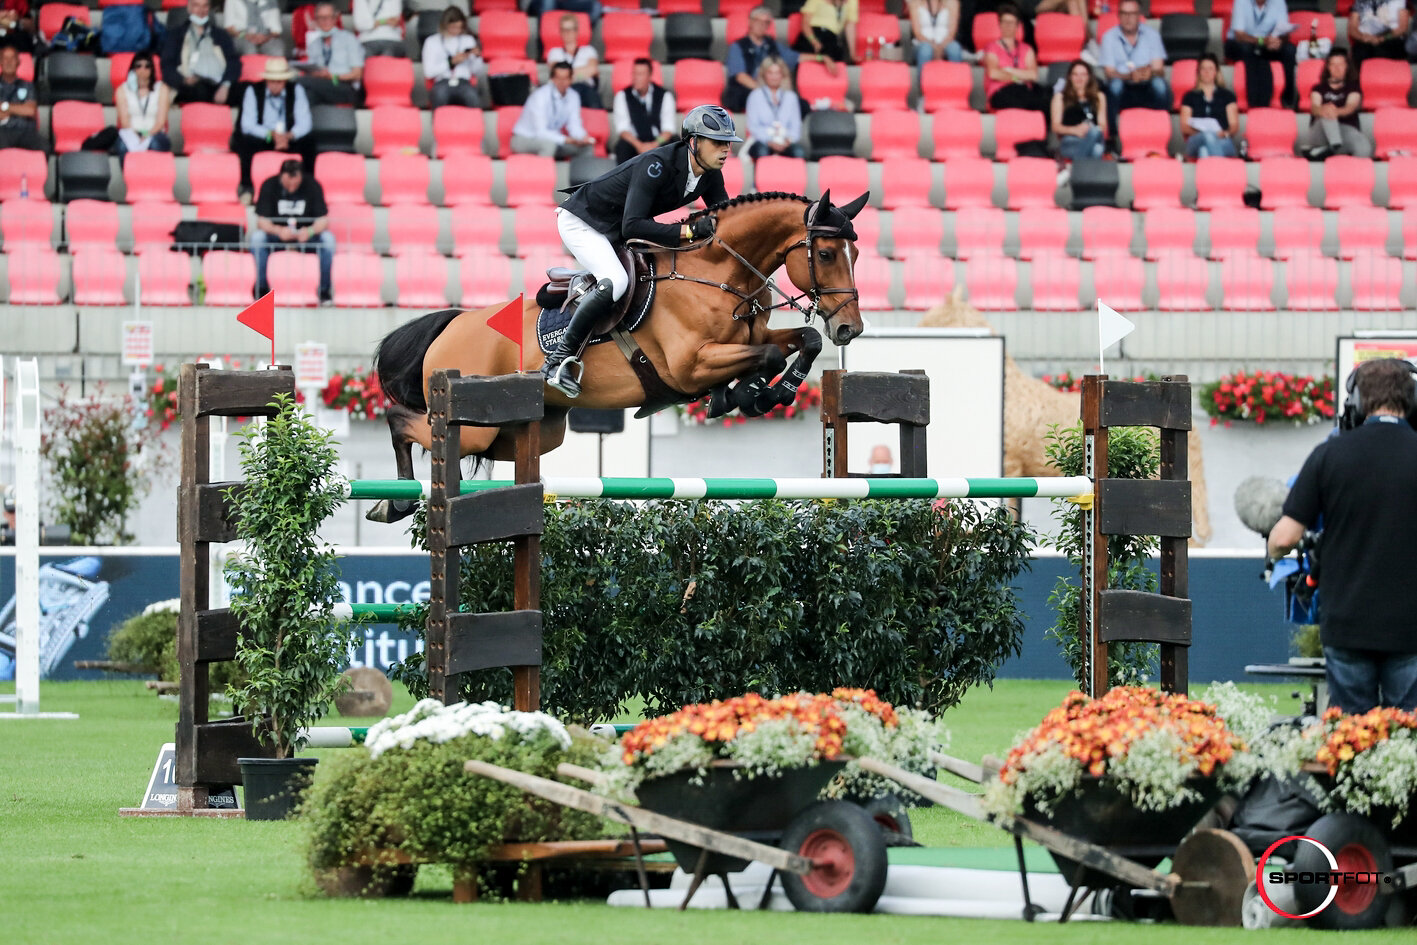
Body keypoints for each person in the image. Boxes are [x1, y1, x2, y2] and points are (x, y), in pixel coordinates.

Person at [543, 104, 740, 398]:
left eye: (728, 143)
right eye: (718, 142)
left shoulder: (710, 173)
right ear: (694, 142)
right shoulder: (656, 165)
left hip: (614, 228)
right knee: (617, 281)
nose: (726, 149)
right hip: (584, 222)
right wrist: (686, 232)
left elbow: (725, 219)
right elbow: (633, 226)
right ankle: (557, 362)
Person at [1268, 358, 1417, 713]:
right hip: (1411, 628)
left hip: (1347, 624)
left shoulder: (1328, 454)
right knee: (1408, 746)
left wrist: (1275, 553)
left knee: (1349, 741)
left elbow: (1283, 538)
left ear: (1357, 403)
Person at [252, 158, 335, 305]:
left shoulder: (312, 185)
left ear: (301, 177)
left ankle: (324, 292)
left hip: (306, 236)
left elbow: (323, 220)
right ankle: (261, 290)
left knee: (328, 240)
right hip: (277, 236)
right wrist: (278, 230)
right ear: (281, 176)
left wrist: (310, 231)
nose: (291, 187)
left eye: (295, 183)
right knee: (257, 239)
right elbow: (261, 221)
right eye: (287, 183)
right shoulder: (269, 185)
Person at [232, 58, 313, 200]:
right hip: (265, 136)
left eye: (279, 81)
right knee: (245, 142)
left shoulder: (296, 90)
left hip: (288, 137)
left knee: (309, 142)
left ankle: (307, 188)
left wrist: (288, 136)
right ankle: (247, 188)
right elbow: (247, 125)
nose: (276, 85)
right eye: (272, 81)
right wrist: (272, 135)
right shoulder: (253, 91)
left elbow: (305, 123)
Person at [1098, 0, 1169, 133]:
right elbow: (1109, 73)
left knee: (1160, 85)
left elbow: (1159, 70)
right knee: (1114, 86)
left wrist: (1149, 74)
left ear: (1139, 15)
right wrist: (1131, 75)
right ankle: (1112, 138)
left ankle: (1161, 132)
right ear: (1118, 15)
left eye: (1132, 14)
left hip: (1146, 86)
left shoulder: (1152, 35)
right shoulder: (1109, 37)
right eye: (1124, 13)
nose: (1128, 18)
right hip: (1123, 87)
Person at [160, 0, 240, 105]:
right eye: (196, 6)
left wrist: (225, 86)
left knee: (247, 89)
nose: (201, 11)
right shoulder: (176, 35)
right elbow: (167, 65)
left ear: (209, 9)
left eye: (205, 6)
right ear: (189, 8)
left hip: (219, 84)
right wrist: (184, 80)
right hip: (190, 85)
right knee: (200, 90)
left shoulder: (221, 35)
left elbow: (233, 62)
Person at [511, 61, 594, 158]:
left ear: (571, 79)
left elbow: (574, 124)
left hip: (553, 139)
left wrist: (583, 137)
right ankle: (543, 173)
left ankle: (582, 173)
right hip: (525, 138)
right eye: (558, 78)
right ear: (552, 78)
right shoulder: (540, 96)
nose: (561, 82)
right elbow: (540, 132)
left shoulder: (573, 96)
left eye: (565, 78)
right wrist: (566, 140)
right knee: (549, 145)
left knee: (586, 147)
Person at [723, 6, 799, 112]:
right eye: (758, 21)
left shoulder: (772, 44)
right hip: (748, 89)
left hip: (771, 88)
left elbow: (796, 57)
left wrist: (821, 57)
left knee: (800, 104)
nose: (762, 25)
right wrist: (765, 92)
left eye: (766, 22)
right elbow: (740, 76)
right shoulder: (738, 46)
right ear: (750, 22)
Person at [1225, 0, 1297, 110]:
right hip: (1241, 44)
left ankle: (1287, 100)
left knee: (1289, 50)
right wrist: (1262, 41)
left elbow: (1284, 33)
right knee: (1248, 50)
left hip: (1266, 43)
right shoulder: (1241, 2)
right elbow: (1239, 35)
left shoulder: (1279, 2)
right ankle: (1254, 102)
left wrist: (1277, 41)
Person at [1303, 49, 1372, 159]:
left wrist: (1335, 111)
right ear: (1328, 68)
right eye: (1333, 65)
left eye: (1341, 64)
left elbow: (1350, 107)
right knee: (1326, 111)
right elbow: (1315, 108)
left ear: (1347, 67)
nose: (1337, 68)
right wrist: (1326, 109)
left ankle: (1331, 150)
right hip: (1321, 131)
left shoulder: (1353, 88)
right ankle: (1334, 145)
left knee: (1364, 146)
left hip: (1345, 130)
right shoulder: (1318, 88)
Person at [982, 4, 1049, 114]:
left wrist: (1008, 70)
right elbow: (994, 73)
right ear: (1000, 24)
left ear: (1018, 26)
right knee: (1028, 103)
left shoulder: (1027, 49)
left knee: (1045, 102)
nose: (1008, 26)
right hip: (1000, 92)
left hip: (1023, 91)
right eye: (1005, 22)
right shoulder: (992, 48)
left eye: (1011, 22)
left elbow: (1033, 75)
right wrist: (1017, 78)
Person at [299, 1, 365, 106]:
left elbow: (357, 74)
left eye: (328, 17)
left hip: (345, 86)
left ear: (335, 18)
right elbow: (312, 69)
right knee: (308, 95)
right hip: (322, 85)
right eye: (321, 18)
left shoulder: (349, 39)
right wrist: (316, 73)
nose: (325, 21)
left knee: (299, 82)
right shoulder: (314, 44)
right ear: (316, 21)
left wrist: (333, 76)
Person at [612, 58, 676, 164]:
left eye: (640, 74)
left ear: (650, 76)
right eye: (634, 74)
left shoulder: (664, 95)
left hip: (658, 140)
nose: (636, 78)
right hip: (635, 142)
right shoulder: (622, 96)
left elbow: (668, 129)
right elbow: (623, 129)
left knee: (674, 142)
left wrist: (654, 145)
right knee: (622, 146)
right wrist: (639, 145)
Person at [421, 6, 484, 109]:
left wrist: (476, 57)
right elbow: (428, 72)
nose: (456, 31)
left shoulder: (468, 40)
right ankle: (438, 124)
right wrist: (450, 62)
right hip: (442, 82)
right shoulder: (432, 41)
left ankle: (474, 124)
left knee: (472, 96)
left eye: (459, 27)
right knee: (440, 95)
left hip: (464, 82)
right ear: (445, 25)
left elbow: (477, 71)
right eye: (453, 27)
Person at [114, 52, 172, 162]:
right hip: (131, 133)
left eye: (147, 66)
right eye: (138, 66)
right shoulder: (122, 90)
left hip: (155, 132)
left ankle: (153, 178)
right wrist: (137, 135)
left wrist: (145, 135)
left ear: (152, 69)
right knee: (122, 146)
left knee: (155, 144)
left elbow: (161, 122)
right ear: (133, 68)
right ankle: (130, 178)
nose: (143, 70)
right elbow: (124, 121)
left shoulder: (162, 88)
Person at [1180, 53, 1238, 158]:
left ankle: (1211, 173)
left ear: (1216, 72)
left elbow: (1234, 126)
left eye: (1210, 68)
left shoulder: (1227, 95)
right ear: (1198, 72)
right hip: (1196, 139)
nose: (1207, 72)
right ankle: (1220, 171)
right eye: (1203, 69)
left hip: (1222, 140)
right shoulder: (1189, 96)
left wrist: (1224, 133)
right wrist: (1203, 133)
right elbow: (1184, 127)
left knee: (1204, 151)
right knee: (1208, 135)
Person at [744, 56, 804, 159]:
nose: (774, 77)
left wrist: (787, 141)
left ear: (782, 75)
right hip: (763, 141)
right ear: (764, 75)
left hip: (785, 141)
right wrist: (770, 141)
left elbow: (796, 126)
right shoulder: (755, 95)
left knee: (799, 152)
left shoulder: (791, 97)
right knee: (762, 151)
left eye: (777, 73)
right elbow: (753, 126)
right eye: (770, 73)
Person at [1051, 58, 1107, 160]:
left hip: (1093, 137)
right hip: (1071, 140)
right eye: (1075, 74)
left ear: (1089, 77)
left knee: (1095, 133)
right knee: (1097, 150)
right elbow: (1055, 126)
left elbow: (1102, 125)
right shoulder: (1060, 97)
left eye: (1083, 74)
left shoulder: (1099, 96)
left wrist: (1089, 131)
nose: (1079, 78)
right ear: (1070, 77)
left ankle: (1076, 172)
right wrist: (1075, 130)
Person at [545, 13, 601, 110]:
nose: (567, 33)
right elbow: (557, 74)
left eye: (570, 29)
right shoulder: (554, 52)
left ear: (576, 31)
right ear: (560, 32)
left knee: (592, 101)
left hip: (585, 89)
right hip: (562, 90)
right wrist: (581, 74)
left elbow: (592, 69)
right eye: (564, 30)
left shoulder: (588, 50)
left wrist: (566, 75)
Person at [0, 44, 42, 151]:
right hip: (2, 131)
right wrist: (19, 109)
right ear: (0, 62)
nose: (9, 62)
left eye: (12, 58)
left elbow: (30, 111)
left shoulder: (28, 85)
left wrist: (5, 107)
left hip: (26, 131)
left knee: (44, 147)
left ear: (18, 62)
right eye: (5, 58)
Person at [792, 0, 858, 66]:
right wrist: (813, 40)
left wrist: (852, 55)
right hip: (814, 34)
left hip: (832, 39)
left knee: (835, 61)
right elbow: (805, 23)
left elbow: (850, 26)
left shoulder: (852, 1)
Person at [1348, 0, 1410, 68]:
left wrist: (1383, 38)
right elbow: (1352, 29)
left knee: (1381, 52)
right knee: (1360, 52)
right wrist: (1363, 37)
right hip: (1366, 39)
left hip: (1391, 38)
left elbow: (1402, 28)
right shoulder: (1360, 1)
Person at [909, 0, 964, 67]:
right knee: (926, 50)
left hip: (946, 42)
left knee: (954, 48)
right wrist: (933, 47)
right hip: (922, 43)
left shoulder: (952, 2)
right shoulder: (915, 3)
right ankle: (923, 77)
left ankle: (958, 77)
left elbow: (951, 33)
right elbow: (917, 33)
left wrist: (940, 47)